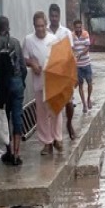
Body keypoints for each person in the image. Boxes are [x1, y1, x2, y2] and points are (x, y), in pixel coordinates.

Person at [0, 16, 27, 166]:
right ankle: (17, 153)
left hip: (3, 86)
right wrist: (21, 82)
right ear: (8, 27)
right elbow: (23, 67)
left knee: (5, 117)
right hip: (17, 83)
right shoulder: (16, 43)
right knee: (17, 116)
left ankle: (9, 151)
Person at [22, 11, 61, 155]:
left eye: (42, 26)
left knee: (55, 110)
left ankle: (57, 138)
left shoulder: (53, 39)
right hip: (39, 81)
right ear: (34, 26)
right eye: (37, 26)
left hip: (53, 80)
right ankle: (47, 143)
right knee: (42, 113)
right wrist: (32, 63)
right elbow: (24, 58)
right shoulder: (28, 40)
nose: (40, 28)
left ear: (46, 25)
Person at [48, 4, 76, 142]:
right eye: (52, 16)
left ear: (59, 16)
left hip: (64, 72)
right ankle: (54, 136)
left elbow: (70, 53)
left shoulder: (66, 32)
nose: (54, 18)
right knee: (53, 105)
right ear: (49, 16)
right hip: (51, 73)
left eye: (56, 16)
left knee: (69, 102)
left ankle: (69, 124)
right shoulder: (45, 32)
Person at [72, 19, 93, 114]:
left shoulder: (85, 34)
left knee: (89, 83)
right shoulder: (72, 36)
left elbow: (88, 47)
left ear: (82, 27)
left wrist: (80, 54)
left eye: (80, 27)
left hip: (86, 63)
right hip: (78, 65)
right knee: (80, 85)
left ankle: (88, 99)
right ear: (74, 27)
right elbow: (71, 48)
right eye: (77, 27)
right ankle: (84, 104)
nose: (79, 29)